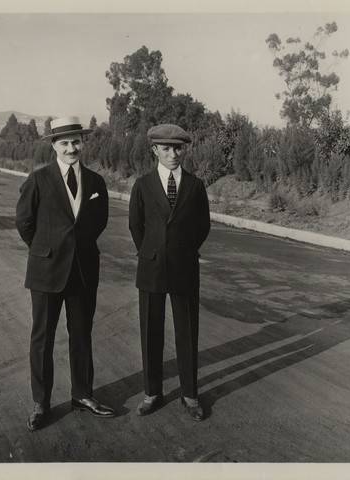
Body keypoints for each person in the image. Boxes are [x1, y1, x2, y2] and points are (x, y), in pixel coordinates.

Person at [16, 116, 115, 431]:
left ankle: (83, 395)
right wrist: (45, 250)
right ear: (53, 146)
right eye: (64, 143)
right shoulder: (38, 180)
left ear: (82, 143)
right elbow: (24, 222)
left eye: (76, 142)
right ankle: (41, 403)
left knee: (82, 334)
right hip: (47, 272)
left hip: (83, 270)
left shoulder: (97, 182)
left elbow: (98, 222)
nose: (71, 148)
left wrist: (76, 249)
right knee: (42, 338)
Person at [128, 123, 211, 421]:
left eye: (178, 148)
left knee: (187, 332)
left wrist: (185, 250)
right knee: (151, 332)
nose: (173, 154)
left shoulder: (195, 185)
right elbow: (136, 225)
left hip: (184, 267)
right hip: (150, 267)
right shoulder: (142, 185)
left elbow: (203, 225)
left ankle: (190, 394)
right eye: (166, 149)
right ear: (155, 150)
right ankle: (152, 392)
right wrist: (150, 252)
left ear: (184, 149)